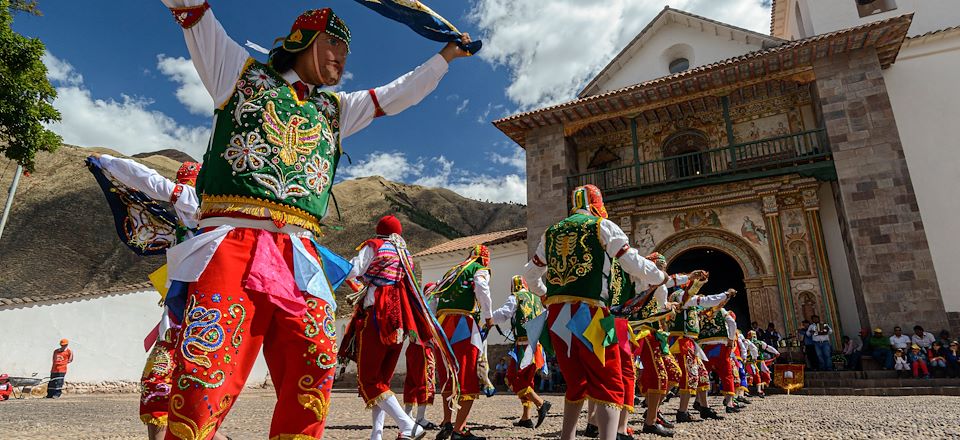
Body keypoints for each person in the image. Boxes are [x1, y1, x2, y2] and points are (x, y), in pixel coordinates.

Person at [156, 1, 473, 437]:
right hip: (232, 243)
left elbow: (395, 95)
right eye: (333, 44)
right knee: (206, 372)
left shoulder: (336, 111)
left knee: (316, 358)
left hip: (300, 254)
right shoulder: (237, 74)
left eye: (346, 50)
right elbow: (192, 11)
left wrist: (445, 59)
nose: (341, 57)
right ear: (302, 41)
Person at [523, 184, 667, 440]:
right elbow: (630, 260)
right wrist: (659, 276)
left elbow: (529, 275)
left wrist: (545, 294)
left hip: (557, 317)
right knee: (609, 380)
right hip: (591, 314)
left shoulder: (551, 232)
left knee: (575, 381)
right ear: (596, 203)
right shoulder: (601, 226)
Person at [90, 153, 215, 440]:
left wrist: (106, 162)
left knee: (159, 385)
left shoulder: (192, 203)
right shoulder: (191, 225)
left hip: (186, 315)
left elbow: (149, 180)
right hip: (191, 313)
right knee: (187, 390)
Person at [342, 215, 445, 440]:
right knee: (382, 380)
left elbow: (352, 270)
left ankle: (408, 425)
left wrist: (331, 262)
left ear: (379, 231)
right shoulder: (404, 252)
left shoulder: (375, 246)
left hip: (377, 315)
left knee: (369, 378)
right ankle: (376, 433)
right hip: (399, 319)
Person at [432, 245, 494, 440]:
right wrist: (488, 316)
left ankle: (448, 423)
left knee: (448, 375)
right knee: (467, 374)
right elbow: (482, 287)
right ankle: (459, 430)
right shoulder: (479, 269)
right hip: (462, 325)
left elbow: (435, 296)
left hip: (442, 326)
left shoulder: (452, 270)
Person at [490, 276, 552, 429]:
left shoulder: (515, 297)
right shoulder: (537, 299)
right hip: (537, 346)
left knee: (512, 378)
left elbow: (504, 313)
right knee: (527, 381)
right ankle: (526, 418)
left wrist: (487, 318)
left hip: (523, 346)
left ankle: (540, 403)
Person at [665, 277, 728, 423]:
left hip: (690, 341)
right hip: (682, 341)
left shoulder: (686, 299)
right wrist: (724, 294)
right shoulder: (680, 296)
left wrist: (724, 300)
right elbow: (705, 301)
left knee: (702, 374)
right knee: (689, 375)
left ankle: (704, 408)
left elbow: (707, 310)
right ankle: (682, 412)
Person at [403, 282, 439, 430]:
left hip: (412, 348)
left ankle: (407, 415)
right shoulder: (429, 306)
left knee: (411, 381)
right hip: (424, 348)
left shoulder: (416, 307)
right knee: (425, 381)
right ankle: (420, 418)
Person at [698, 300, 739, 413]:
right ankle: (729, 403)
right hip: (721, 345)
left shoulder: (701, 312)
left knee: (704, 373)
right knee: (727, 374)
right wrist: (731, 339)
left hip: (705, 347)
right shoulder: (721, 310)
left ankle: (701, 402)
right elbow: (731, 322)